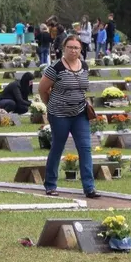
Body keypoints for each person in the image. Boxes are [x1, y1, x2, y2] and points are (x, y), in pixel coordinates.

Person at [38, 35, 99, 198]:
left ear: (81, 49)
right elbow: (42, 89)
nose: (73, 50)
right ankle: (50, 185)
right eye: (70, 47)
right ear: (64, 49)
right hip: (59, 114)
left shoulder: (84, 66)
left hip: (80, 113)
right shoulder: (56, 67)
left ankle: (89, 187)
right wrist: (50, 105)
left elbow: (83, 88)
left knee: (85, 148)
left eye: (76, 48)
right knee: (58, 147)